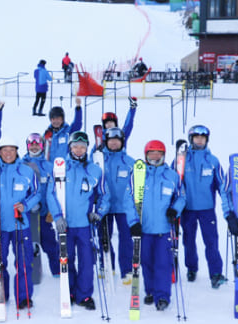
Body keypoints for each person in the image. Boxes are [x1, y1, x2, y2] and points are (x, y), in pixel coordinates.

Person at [47, 131, 110, 310]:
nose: (79, 150)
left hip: (84, 225)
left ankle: (84, 295)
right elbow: (51, 194)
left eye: (83, 147)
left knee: (86, 260)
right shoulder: (60, 167)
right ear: (70, 147)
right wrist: (58, 217)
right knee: (66, 258)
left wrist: (99, 212)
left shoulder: (95, 170)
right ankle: (70, 291)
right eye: (76, 146)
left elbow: (105, 195)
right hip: (65, 224)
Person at [0, 136, 40, 309]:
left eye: (11, 150)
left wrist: (26, 205)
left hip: (21, 225)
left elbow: (37, 193)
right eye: (4, 150)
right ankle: (1, 293)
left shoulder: (27, 171)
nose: (8, 153)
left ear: (17, 151)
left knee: (23, 262)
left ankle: (24, 297)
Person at [131, 140, 185, 311]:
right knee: (146, 262)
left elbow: (181, 197)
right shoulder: (138, 174)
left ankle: (162, 296)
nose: (155, 156)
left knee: (163, 263)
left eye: (158, 153)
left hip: (163, 229)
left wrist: (174, 210)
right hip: (144, 229)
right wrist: (133, 223)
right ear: (146, 155)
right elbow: (128, 201)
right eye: (151, 153)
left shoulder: (171, 175)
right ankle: (150, 291)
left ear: (163, 155)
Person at [174, 125, 230, 288]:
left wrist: (229, 210)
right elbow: (173, 182)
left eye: (203, 138)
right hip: (187, 209)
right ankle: (191, 268)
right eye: (196, 137)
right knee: (189, 241)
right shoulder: (182, 159)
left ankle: (216, 273)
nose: (199, 140)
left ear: (206, 140)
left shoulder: (212, 161)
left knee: (211, 241)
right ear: (191, 139)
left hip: (207, 210)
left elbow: (222, 186)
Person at [98, 127, 136, 284]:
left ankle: (126, 269)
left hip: (123, 207)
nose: (114, 143)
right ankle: (107, 265)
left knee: (126, 238)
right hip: (104, 207)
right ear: (106, 142)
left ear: (122, 142)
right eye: (111, 140)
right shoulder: (99, 160)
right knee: (104, 237)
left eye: (117, 140)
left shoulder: (129, 162)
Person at [21, 133, 59, 276]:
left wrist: (52, 211)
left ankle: (56, 270)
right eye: (32, 144)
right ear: (28, 146)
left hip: (43, 214)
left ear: (42, 146)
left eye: (38, 144)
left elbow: (54, 190)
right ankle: (29, 271)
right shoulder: (21, 165)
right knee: (28, 243)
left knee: (49, 241)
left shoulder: (49, 167)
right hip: (26, 214)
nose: (35, 146)